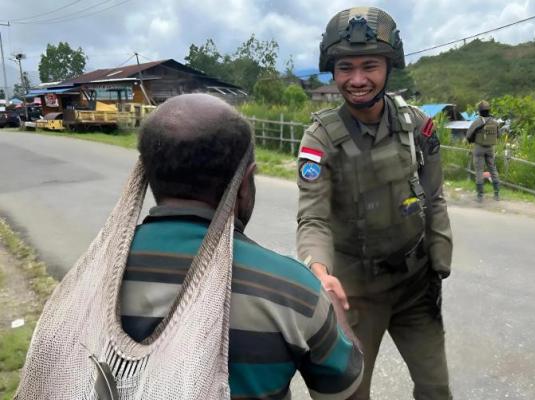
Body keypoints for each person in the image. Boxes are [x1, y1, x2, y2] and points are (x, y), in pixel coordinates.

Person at [120, 94, 363, 399]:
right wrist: (332, 307)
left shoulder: (98, 274)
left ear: (149, 174)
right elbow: (344, 388)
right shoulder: (294, 290)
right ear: (245, 182)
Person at [296, 7, 453, 400]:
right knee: (347, 394)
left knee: (436, 389)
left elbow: (434, 195)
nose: (358, 79)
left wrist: (439, 260)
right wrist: (319, 272)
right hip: (356, 294)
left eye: (370, 66)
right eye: (346, 67)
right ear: (332, 72)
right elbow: (313, 217)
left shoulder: (416, 124)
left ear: (389, 68)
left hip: (415, 288)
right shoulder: (320, 140)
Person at [466, 100, 501, 202]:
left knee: (479, 171)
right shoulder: (495, 122)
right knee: (493, 169)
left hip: (479, 148)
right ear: (489, 110)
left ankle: (480, 196)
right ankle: (497, 194)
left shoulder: (477, 122)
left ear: (479, 111)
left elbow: (468, 135)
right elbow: (498, 135)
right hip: (490, 148)